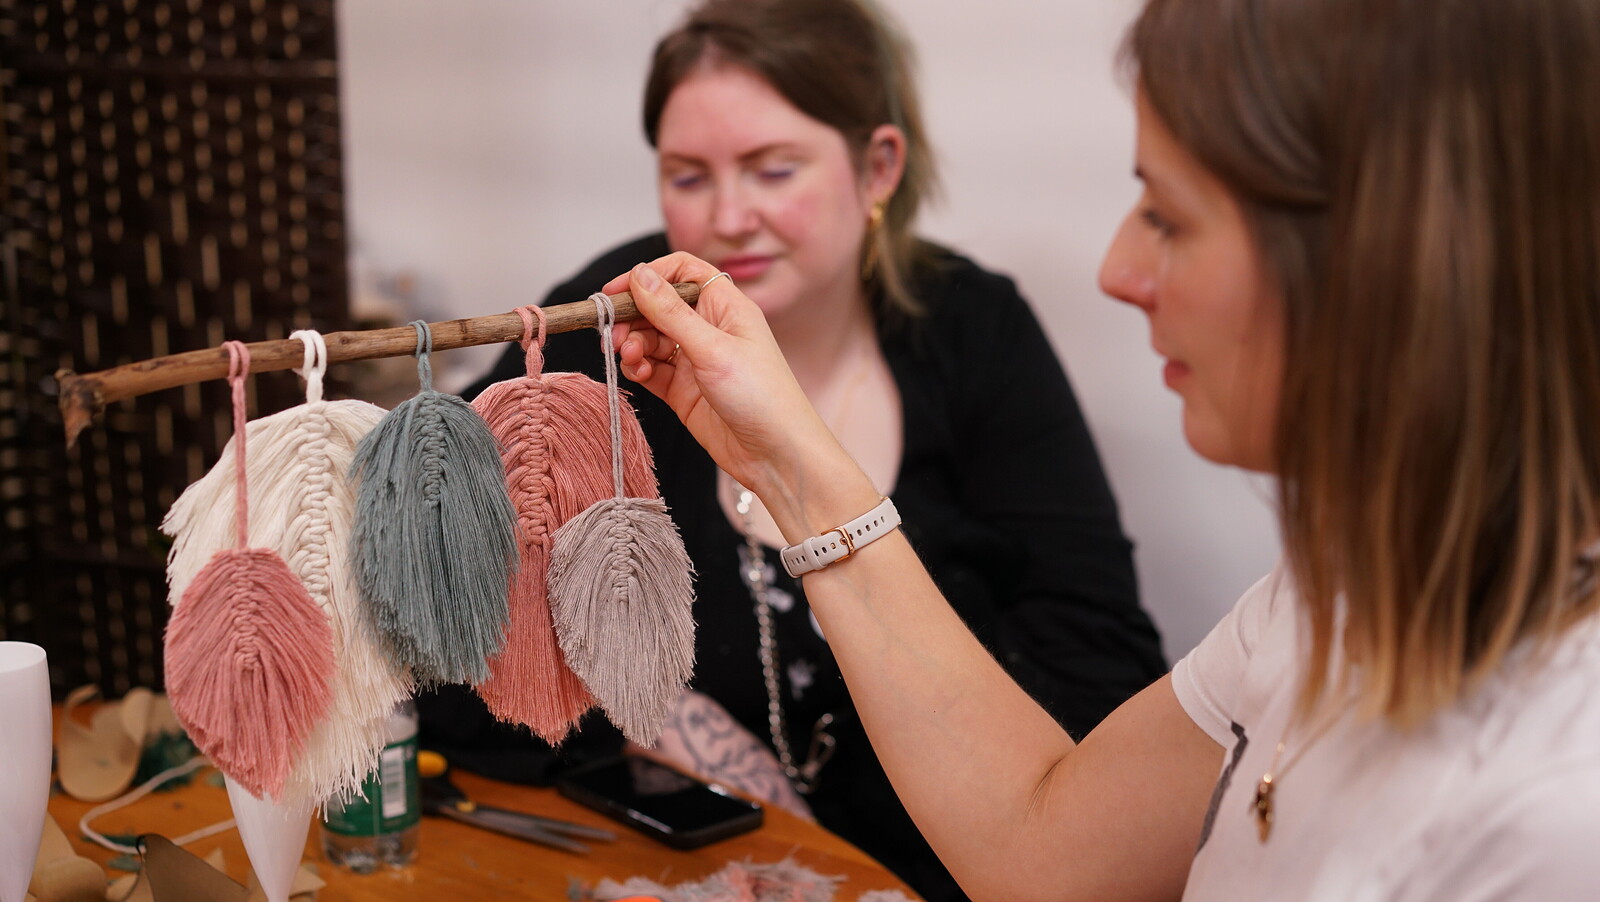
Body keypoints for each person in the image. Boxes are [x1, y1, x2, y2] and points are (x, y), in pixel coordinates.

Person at [599, 0, 1600, 897]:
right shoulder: (1320, 602)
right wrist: (786, 463)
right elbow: (1048, 848)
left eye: (1166, 215)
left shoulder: (1557, 817)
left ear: (1381, 258)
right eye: (688, 174)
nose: (1118, 270)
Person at [418, 0, 1165, 897]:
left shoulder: (975, 333)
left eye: (774, 170)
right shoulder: (607, 326)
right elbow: (432, 614)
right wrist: (658, 723)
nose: (731, 216)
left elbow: (1107, 685)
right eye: (689, 177)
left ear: (876, 166)